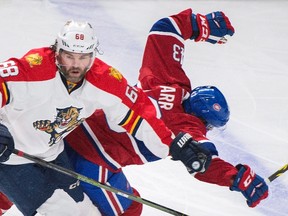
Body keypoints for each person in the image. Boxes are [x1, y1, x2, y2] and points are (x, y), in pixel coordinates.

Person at [63, 8, 268, 215]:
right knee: (130, 210)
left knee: (132, 202)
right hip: (91, 160)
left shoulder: (168, 80)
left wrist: (199, 25)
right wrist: (237, 178)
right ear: (203, 120)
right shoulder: (187, 127)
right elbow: (203, 163)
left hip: (68, 127)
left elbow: (165, 29)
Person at [0, 19, 202, 216]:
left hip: (52, 153)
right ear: (57, 52)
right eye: (69, 56)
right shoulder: (35, 67)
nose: (76, 65)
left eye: (84, 57)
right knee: (61, 211)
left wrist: (172, 143)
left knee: (86, 212)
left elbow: (138, 111)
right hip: (8, 156)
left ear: (93, 55)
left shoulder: (104, 79)